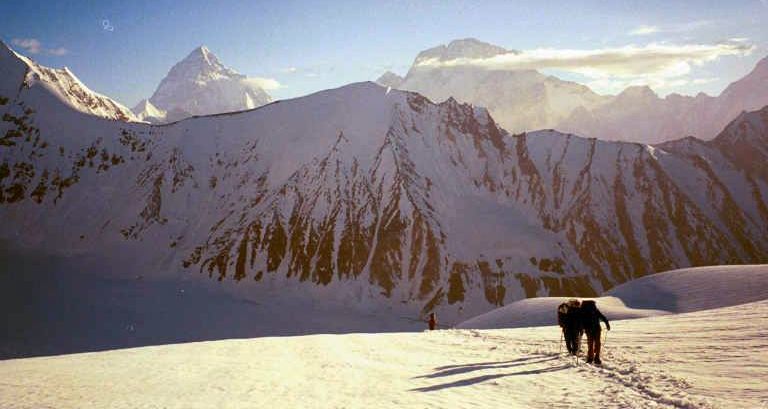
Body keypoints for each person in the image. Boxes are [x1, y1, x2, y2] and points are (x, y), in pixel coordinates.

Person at [579, 300, 610, 365]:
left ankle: (590, 358)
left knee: (590, 343)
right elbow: (602, 317)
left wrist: (581, 329)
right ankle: (597, 358)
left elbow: (580, 321)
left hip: (588, 329)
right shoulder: (594, 309)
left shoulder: (582, 310)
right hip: (597, 328)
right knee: (598, 342)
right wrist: (607, 323)